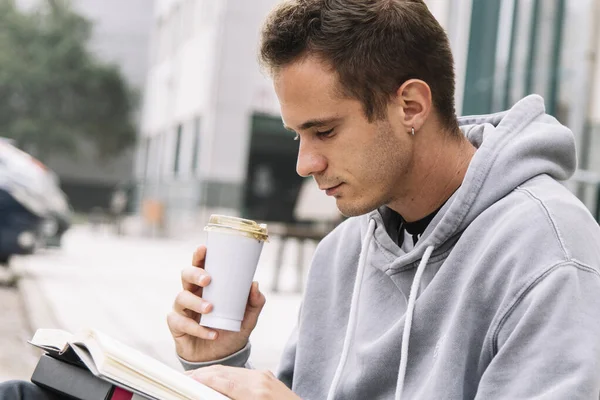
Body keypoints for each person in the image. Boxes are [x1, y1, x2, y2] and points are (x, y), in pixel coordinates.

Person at [1, 0, 599, 399]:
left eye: (325, 131)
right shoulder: (345, 250)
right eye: (297, 135)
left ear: (411, 106)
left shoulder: (549, 255)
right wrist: (224, 360)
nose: (304, 164)